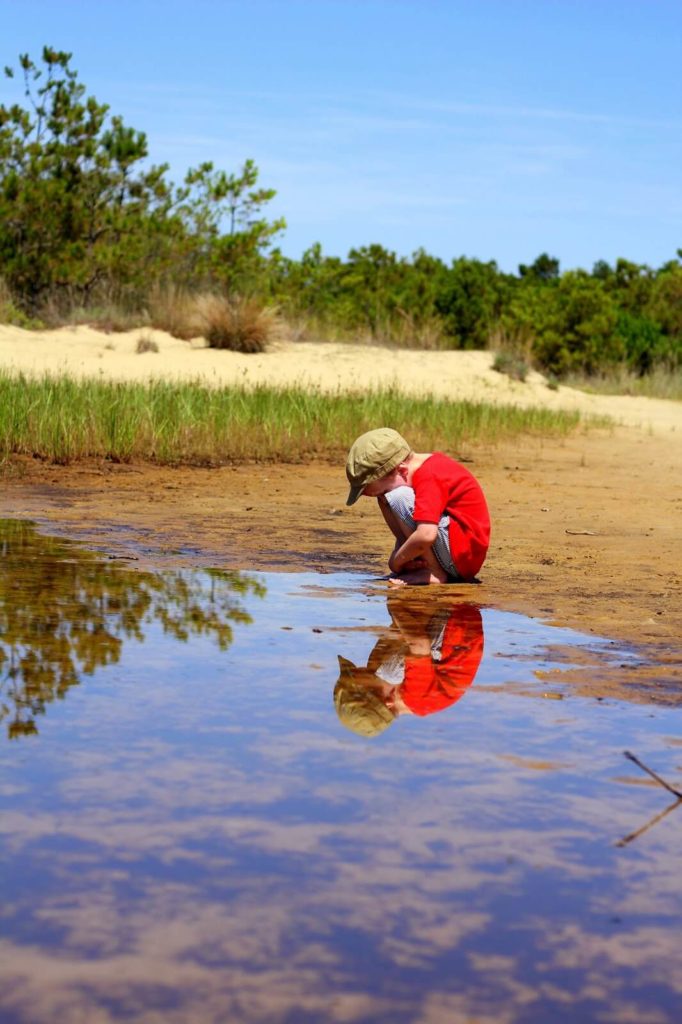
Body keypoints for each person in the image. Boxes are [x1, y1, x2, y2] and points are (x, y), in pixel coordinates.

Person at [345, 427, 490, 585]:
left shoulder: (429, 474)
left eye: (383, 490)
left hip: (462, 555)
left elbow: (426, 535)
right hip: (451, 550)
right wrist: (403, 558)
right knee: (388, 498)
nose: (383, 498)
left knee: (398, 497)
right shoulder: (418, 471)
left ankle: (434, 573)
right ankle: (419, 564)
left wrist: (395, 562)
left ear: (401, 470)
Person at [334, 597, 484, 737]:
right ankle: (420, 597)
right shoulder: (416, 699)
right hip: (456, 620)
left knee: (386, 667)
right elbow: (420, 643)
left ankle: (414, 599)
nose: (367, 668)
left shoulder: (418, 704)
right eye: (368, 674)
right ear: (387, 702)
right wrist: (395, 607)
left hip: (461, 627)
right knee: (388, 671)